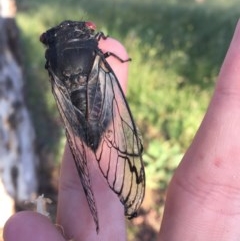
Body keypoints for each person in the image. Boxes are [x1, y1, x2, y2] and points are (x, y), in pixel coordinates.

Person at [4, 20, 240, 241]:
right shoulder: (93, 44)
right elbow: (106, 47)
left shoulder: (53, 57)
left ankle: (109, 183)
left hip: (74, 108)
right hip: (99, 104)